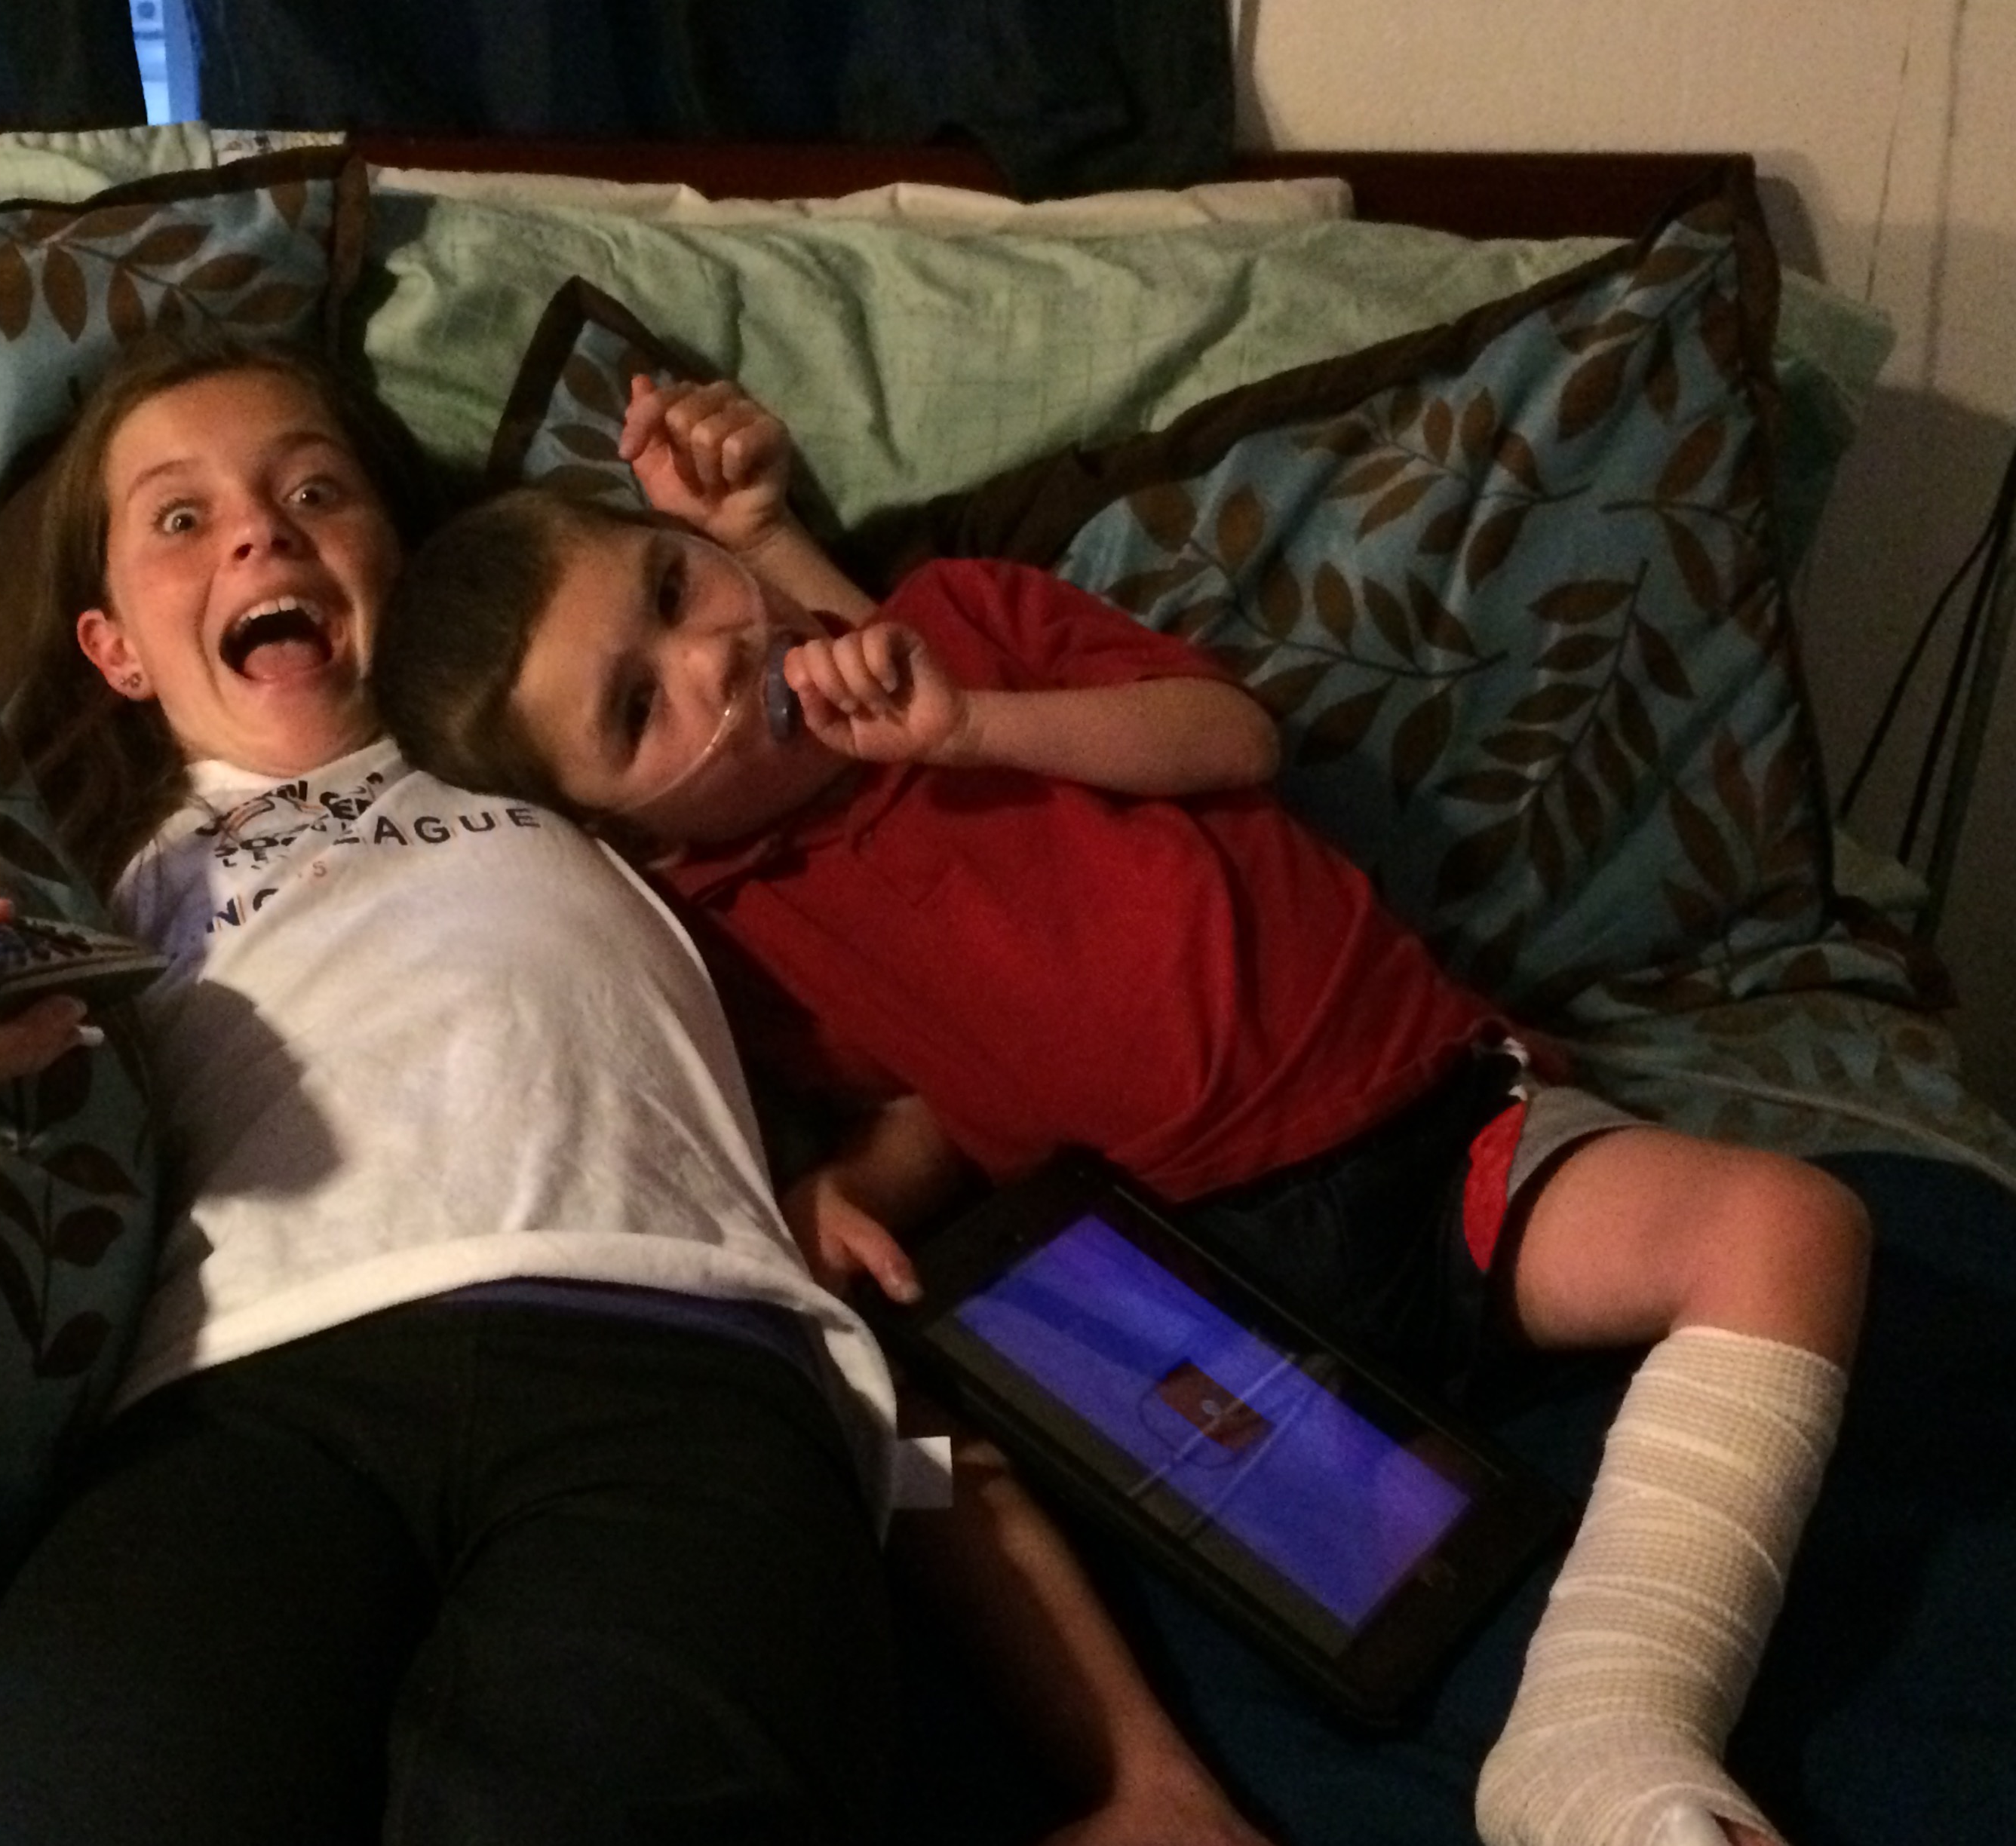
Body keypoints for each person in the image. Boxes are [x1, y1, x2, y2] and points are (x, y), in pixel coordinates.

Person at [370, 374, 1876, 1846]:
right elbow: (935, 1095)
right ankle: (1148, 1785)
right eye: (638, 707)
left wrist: (970, 725)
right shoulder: (738, 922)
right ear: (622, 831)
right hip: (1180, 1288)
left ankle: (1605, 1732)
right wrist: (858, 1189)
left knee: (1787, 1223)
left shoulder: (964, 622)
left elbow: (1232, 741)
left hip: (1435, 1137)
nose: (710, 654)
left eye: (673, 584)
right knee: (893, 1427)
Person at [0, 330, 906, 1846]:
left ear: (407, 558)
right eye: (181, 519)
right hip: (237, 1399)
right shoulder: (86, 875)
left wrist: (759, 539)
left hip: (666, 1352)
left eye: (318, 491)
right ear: (116, 649)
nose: (261, 532)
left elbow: (900, 733)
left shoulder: (572, 751)